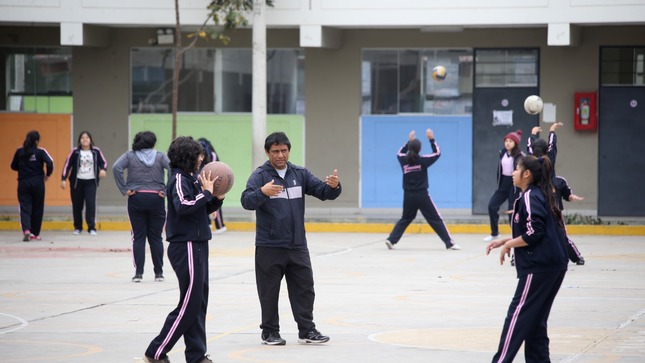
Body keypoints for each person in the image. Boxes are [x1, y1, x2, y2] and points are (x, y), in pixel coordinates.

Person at [240, 131, 341, 346]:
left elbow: (323, 192)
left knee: (305, 289)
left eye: (283, 150)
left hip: (297, 245)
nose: (280, 155)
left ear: (289, 151)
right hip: (269, 246)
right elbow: (246, 201)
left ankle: (307, 330)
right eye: (275, 151)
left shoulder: (300, 174)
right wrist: (263, 192)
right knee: (269, 292)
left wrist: (333, 187)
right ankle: (270, 332)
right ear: (267, 152)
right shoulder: (260, 176)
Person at [143, 136, 222, 363]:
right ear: (188, 156)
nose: (201, 158)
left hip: (198, 244)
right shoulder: (178, 178)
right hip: (186, 245)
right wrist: (206, 193)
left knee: (198, 302)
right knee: (189, 303)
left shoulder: (191, 179)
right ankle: (156, 352)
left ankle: (196, 355)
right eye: (198, 154)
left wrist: (217, 198)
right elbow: (184, 205)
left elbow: (201, 208)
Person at [486, 155, 568, 363]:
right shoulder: (539, 194)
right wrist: (505, 241)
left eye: (516, 170)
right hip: (554, 265)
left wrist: (508, 245)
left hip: (539, 267)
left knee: (517, 317)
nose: (512, 173)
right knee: (535, 321)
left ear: (527, 174)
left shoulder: (530, 196)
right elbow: (537, 230)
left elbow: (534, 233)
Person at [385, 129, 460, 251]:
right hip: (422, 195)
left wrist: (408, 142)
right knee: (435, 218)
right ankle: (449, 243)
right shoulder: (422, 160)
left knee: (406, 218)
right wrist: (431, 139)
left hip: (408, 195)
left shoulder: (403, 160)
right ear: (419, 149)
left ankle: (391, 239)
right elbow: (437, 153)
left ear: (409, 148)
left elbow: (399, 153)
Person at [113, 131, 170, 283]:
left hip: (136, 197)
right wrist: (166, 190)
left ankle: (138, 273)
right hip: (156, 198)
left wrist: (125, 189)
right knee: (156, 237)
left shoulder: (130, 156)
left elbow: (116, 167)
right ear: (153, 142)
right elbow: (172, 169)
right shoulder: (160, 156)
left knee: (138, 237)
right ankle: (159, 273)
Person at [60, 131, 108, 236]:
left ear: (90, 140)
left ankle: (91, 227)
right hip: (77, 182)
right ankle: (78, 227)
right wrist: (63, 179)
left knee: (91, 204)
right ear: (79, 140)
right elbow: (67, 165)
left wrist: (103, 169)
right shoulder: (75, 152)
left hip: (91, 181)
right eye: (82, 138)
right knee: (77, 205)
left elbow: (103, 162)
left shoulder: (96, 151)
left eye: (87, 137)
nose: (85, 139)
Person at [10, 130, 54, 242]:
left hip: (23, 182)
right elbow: (50, 162)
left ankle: (26, 230)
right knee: (37, 207)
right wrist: (47, 174)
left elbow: (13, 166)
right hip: (38, 182)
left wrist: (22, 168)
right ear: (37, 141)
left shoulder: (19, 151)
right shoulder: (40, 151)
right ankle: (35, 233)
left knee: (25, 207)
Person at [484, 129, 525, 242]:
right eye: (506, 141)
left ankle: (516, 235)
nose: (507, 143)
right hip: (503, 184)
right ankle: (494, 233)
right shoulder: (502, 153)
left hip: (514, 184)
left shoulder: (520, 155)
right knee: (492, 206)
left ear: (515, 143)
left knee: (512, 211)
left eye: (510, 141)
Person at [198, 137, 227, 234]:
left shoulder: (212, 155)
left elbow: (213, 168)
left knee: (215, 202)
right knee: (206, 201)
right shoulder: (210, 154)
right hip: (208, 180)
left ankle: (220, 226)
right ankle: (209, 224)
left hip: (212, 180)